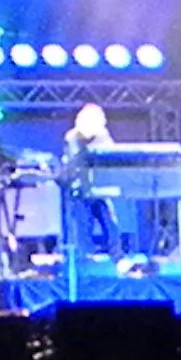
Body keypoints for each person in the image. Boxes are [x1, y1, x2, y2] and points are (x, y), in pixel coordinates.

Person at [63, 103, 119, 259]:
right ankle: (85, 257)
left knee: (110, 223)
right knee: (84, 225)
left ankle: (117, 256)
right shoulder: (72, 137)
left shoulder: (103, 135)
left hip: (100, 187)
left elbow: (111, 154)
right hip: (81, 189)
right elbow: (77, 160)